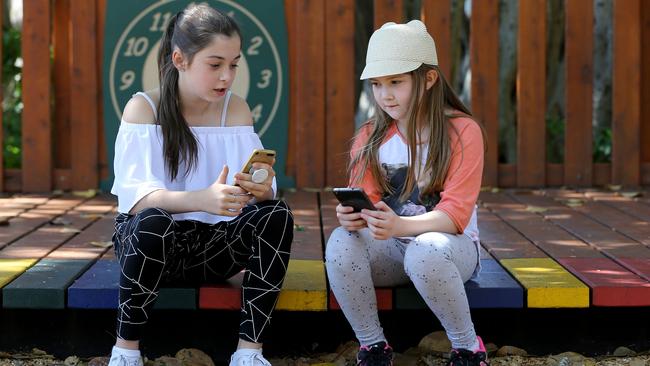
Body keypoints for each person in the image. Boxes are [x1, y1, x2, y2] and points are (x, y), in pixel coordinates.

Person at [108, 4, 293, 366]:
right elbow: (137, 200)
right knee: (154, 220)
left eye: (234, 64)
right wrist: (202, 199)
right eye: (215, 64)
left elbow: (259, 195)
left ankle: (249, 352)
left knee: (277, 214)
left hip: (213, 247)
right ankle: (125, 351)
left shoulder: (236, 110)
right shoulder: (143, 108)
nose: (227, 76)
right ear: (180, 59)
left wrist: (260, 188)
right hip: (155, 246)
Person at [325, 20, 488, 366]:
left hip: (449, 250)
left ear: (428, 79)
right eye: (377, 84)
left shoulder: (462, 131)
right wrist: (355, 217)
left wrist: (398, 227)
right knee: (340, 241)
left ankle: (467, 348)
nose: (385, 94)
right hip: (392, 249)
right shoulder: (370, 136)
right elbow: (368, 203)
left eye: (396, 82)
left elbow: (455, 216)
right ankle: (373, 347)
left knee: (425, 251)